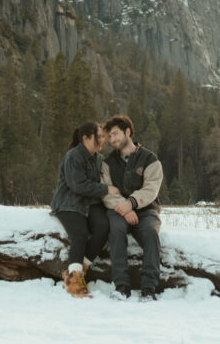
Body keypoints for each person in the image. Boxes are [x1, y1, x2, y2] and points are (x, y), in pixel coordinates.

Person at [50, 121, 121, 298]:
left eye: (102, 136)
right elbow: (78, 185)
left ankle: (80, 268)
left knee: (103, 227)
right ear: (85, 138)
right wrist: (106, 190)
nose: (102, 139)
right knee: (80, 234)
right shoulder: (74, 156)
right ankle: (74, 279)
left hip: (90, 203)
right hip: (69, 203)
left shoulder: (97, 158)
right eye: (98, 136)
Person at [101, 115, 164, 300]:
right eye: (109, 136)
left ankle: (149, 288)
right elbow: (106, 192)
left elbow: (151, 189)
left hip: (146, 211)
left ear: (127, 132)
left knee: (151, 234)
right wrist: (125, 208)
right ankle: (121, 286)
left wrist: (132, 203)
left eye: (115, 134)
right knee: (117, 230)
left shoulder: (150, 159)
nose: (112, 140)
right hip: (118, 211)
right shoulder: (107, 163)